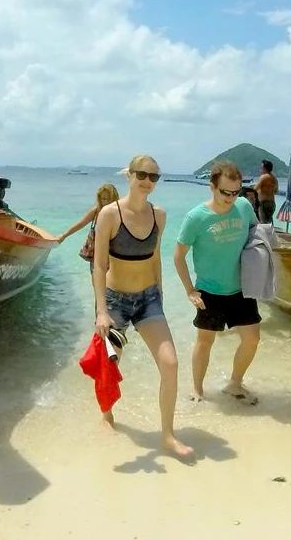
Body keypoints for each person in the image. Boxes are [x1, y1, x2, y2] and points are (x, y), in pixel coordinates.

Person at [91, 155, 193, 458]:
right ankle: (107, 416)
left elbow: (155, 257)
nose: (148, 181)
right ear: (129, 176)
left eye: (154, 177)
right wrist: (101, 311)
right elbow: (99, 266)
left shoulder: (159, 215)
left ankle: (168, 435)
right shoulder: (109, 215)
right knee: (108, 366)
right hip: (115, 301)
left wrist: (159, 293)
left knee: (171, 364)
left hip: (148, 299)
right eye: (142, 175)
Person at [174, 161, 263, 405]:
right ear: (212, 187)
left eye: (236, 192)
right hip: (209, 291)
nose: (231, 198)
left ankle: (234, 384)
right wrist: (190, 290)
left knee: (252, 338)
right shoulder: (197, 217)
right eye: (226, 192)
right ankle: (197, 390)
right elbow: (178, 255)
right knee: (205, 342)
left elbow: (256, 231)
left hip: (241, 288)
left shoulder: (244, 206)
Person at [58, 183, 120, 270]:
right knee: (97, 282)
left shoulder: (120, 213)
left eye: (109, 199)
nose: (106, 202)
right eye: (104, 199)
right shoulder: (96, 211)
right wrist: (64, 235)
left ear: (115, 198)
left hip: (115, 258)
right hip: (96, 257)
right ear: (100, 199)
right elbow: (80, 224)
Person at [255, 159, 278, 224]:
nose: (260, 169)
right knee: (269, 222)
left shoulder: (264, 177)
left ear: (264, 168)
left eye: (261, 167)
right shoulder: (274, 178)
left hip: (263, 203)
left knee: (263, 223)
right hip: (272, 203)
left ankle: (264, 234)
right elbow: (276, 191)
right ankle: (270, 233)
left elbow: (255, 189)